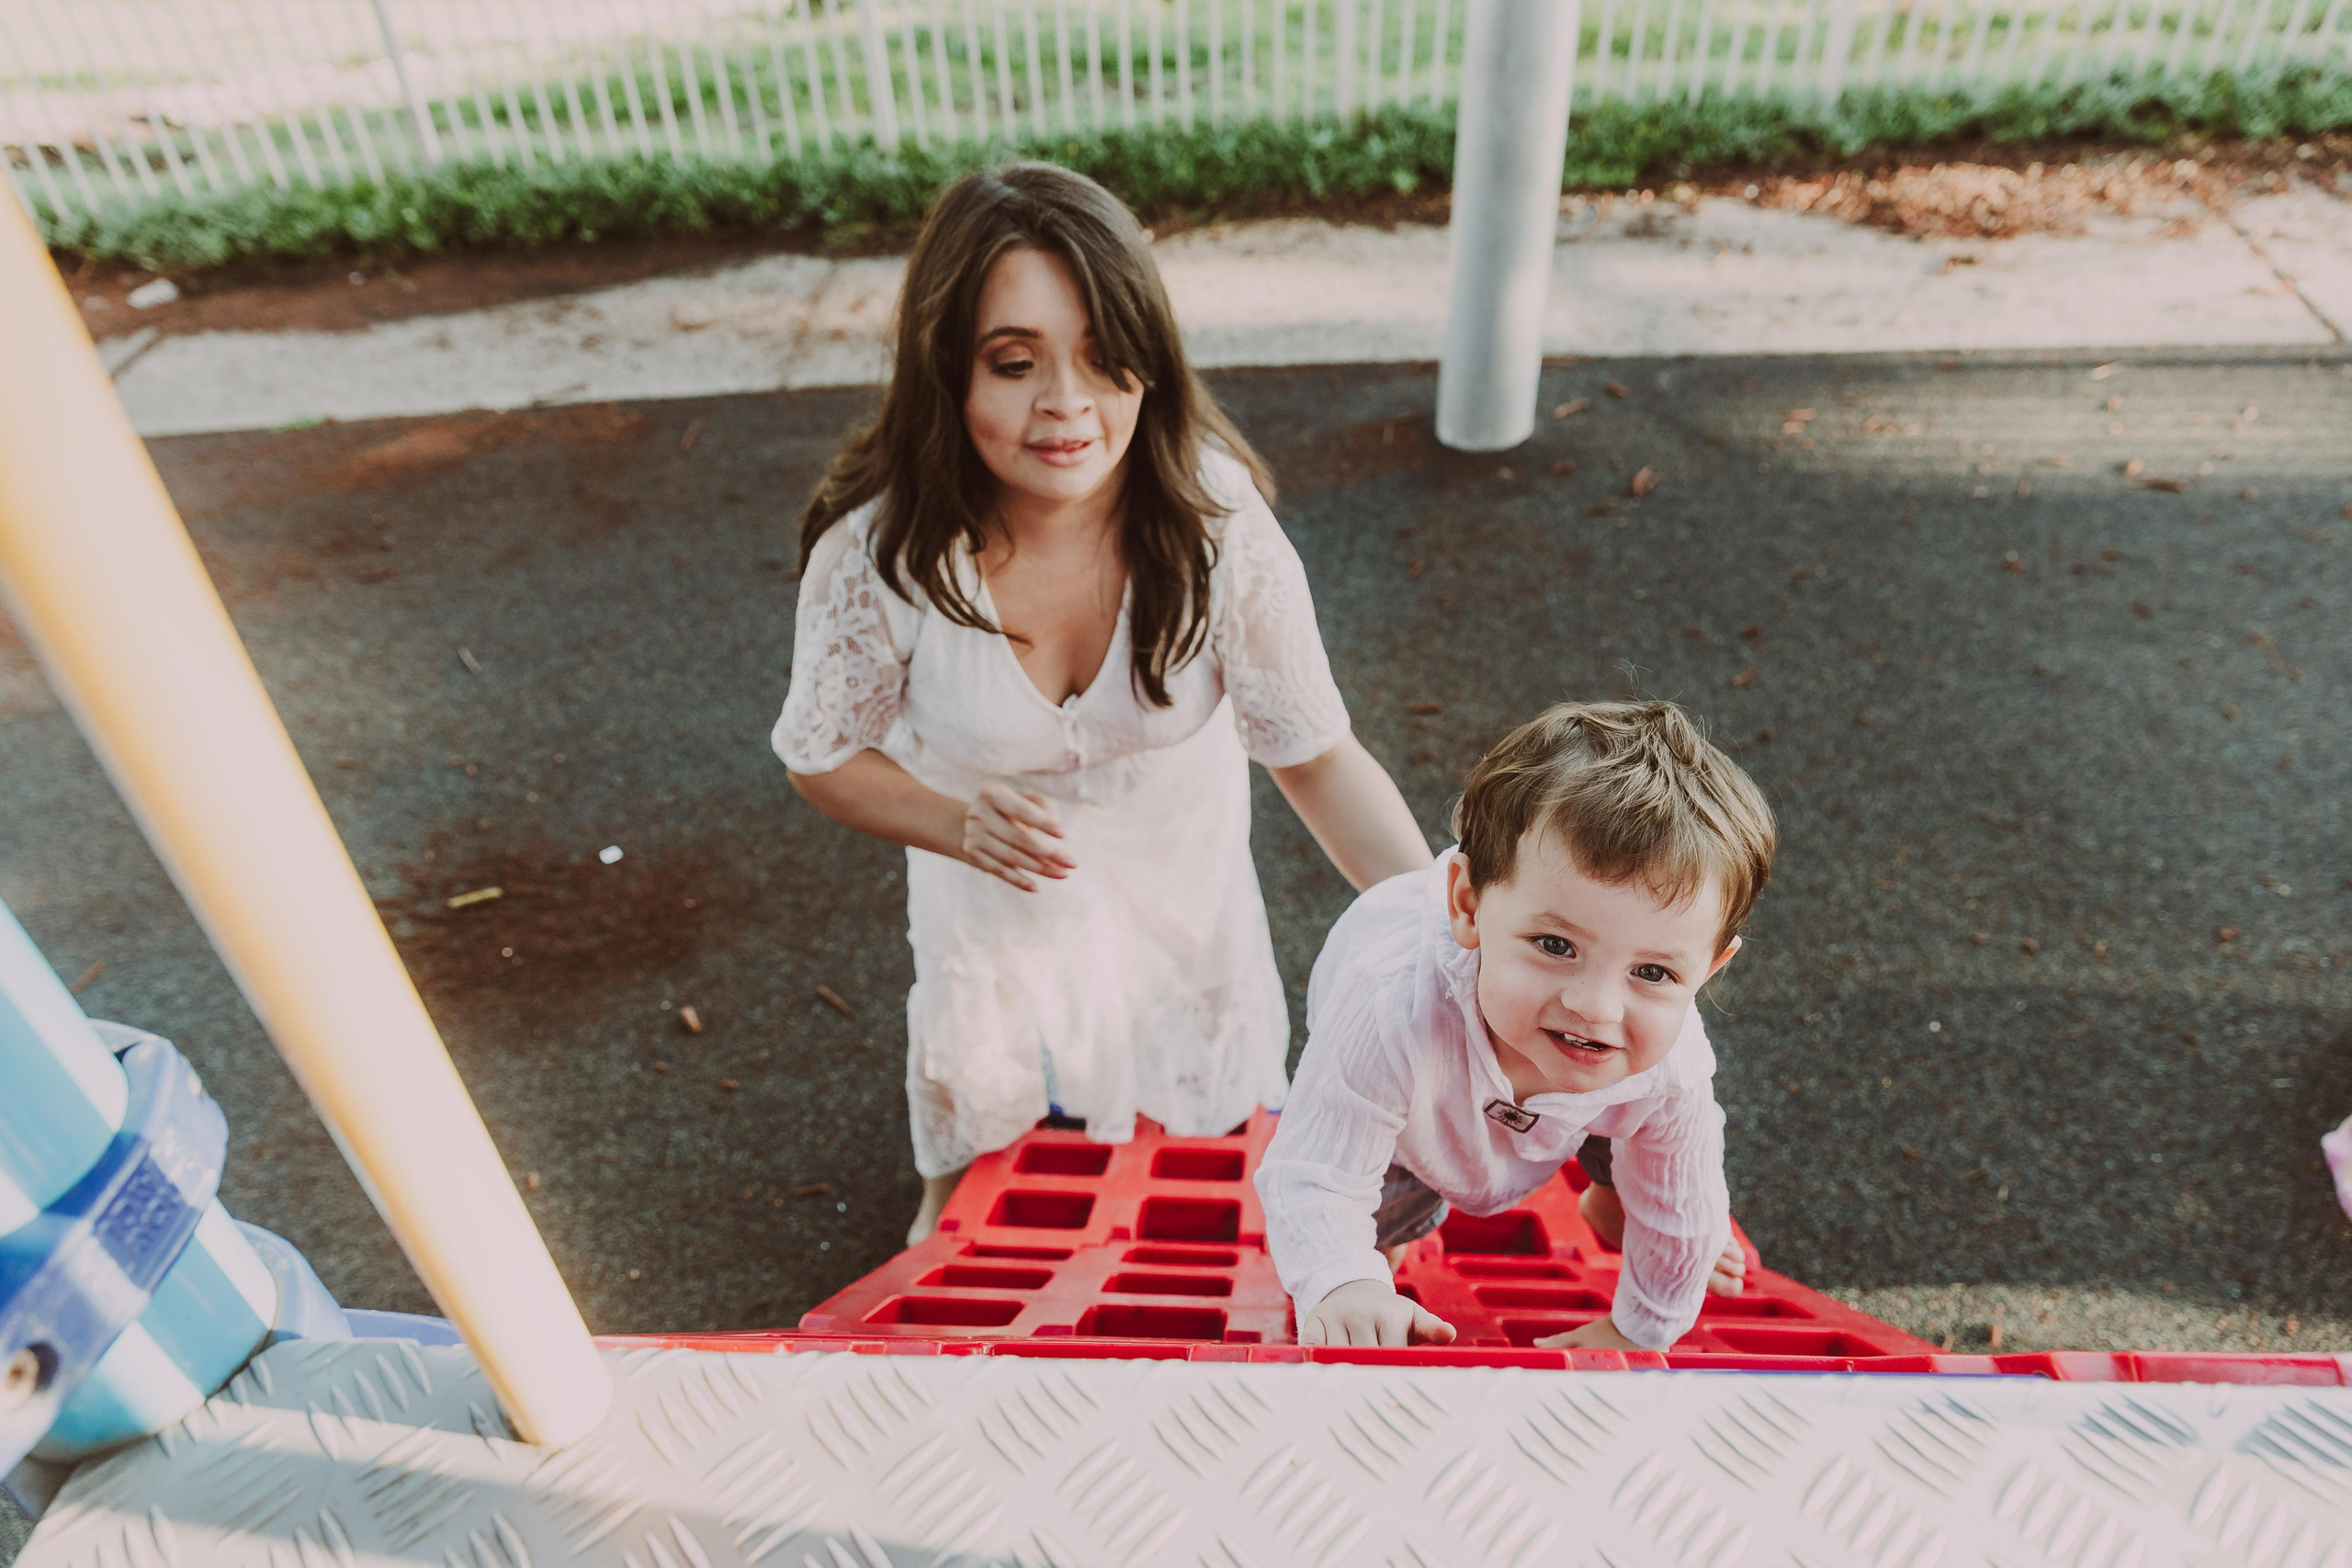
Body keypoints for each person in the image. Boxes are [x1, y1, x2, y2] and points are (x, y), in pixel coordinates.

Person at [773, 164, 1431, 1245]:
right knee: (978, 1157)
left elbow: (1315, 754)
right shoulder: (878, 553)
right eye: (1013, 362)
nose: (1066, 404)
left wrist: (1445, 935)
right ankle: (954, 1195)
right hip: (990, 909)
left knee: (1208, 1163)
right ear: (946, 372)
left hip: (1182, 895)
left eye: (1102, 353)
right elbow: (820, 754)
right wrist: (954, 822)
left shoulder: (1211, 520)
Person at [1256, 699, 1773, 1350]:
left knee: (1654, 1177)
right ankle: (1383, 1247)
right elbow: (1317, 1171)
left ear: (1708, 970)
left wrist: (1641, 1328)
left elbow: (1683, 1200)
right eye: (1556, 945)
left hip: (1594, 1098)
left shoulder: (1667, 1063)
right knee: (1376, 1223)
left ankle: (1612, 1201)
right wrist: (1344, 1279)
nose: (1596, 1007)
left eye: (1653, 972)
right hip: (1422, 1105)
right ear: (1468, 905)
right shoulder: (1391, 1007)